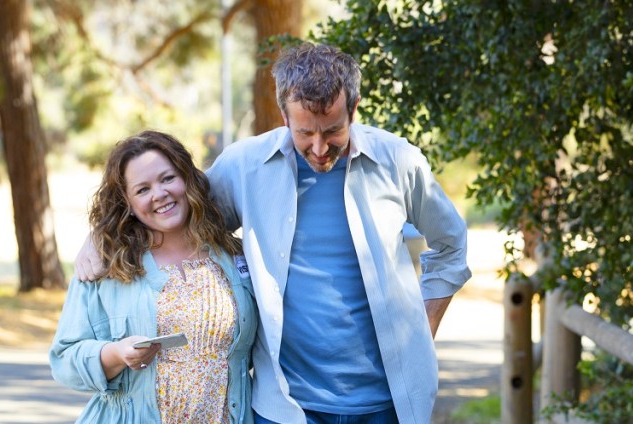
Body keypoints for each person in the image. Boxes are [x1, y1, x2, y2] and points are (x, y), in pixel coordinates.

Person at [76, 42, 470, 424]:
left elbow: (451, 245)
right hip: (285, 407)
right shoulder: (245, 167)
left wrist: (423, 325)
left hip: (387, 403)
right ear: (283, 115)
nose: (318, 148)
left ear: (355, 107)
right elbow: (173, 214)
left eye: (332, 130)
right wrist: (100, 234)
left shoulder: (398, 161)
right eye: (304, 133)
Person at [50, 130, 258, 423]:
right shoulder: (106, 264)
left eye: (167, 178)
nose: (159, 194)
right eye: (142, 189)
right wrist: (116, 354)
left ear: (187, 178)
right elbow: (64, 361)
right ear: (128, 202)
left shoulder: (233, 255)